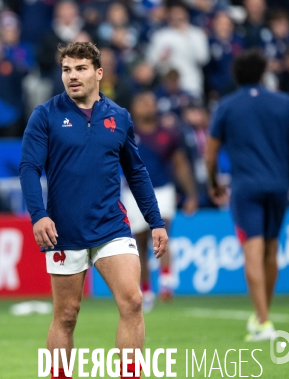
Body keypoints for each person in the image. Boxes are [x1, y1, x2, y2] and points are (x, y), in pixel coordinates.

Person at [20, 42, 168, 379]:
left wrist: (155, 221)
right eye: (67, 70)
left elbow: (137, 172)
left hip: (111, 226)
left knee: (132, 301)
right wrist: (38, 214)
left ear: (98, 73)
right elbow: (29, 168)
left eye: (81, 68)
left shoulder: (119, 116)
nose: (72, 76)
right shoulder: (45, 114)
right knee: (67, 315)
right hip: (64, 229)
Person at [206, 49, 289, 342]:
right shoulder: (285, 103)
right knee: (272, 250)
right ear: (263, 74)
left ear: (236, 76)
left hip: (246, 188)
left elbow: (210, 151)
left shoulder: (227, 106)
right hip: (279, 186)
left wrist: (213, 183)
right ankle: (263, 317)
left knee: (253, 252)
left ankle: (262, 320)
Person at [121, 91, 198, 311]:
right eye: (142, 101)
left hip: (163, 189)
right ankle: (145, 290)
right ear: (134, 108)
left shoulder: (169, 134)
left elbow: (180, 164)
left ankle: (166, 281)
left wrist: (191, 194)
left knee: (161, 230)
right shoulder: (125, 133)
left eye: (150, 101)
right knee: (141, 243)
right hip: (133, 193)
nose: (146, 105)